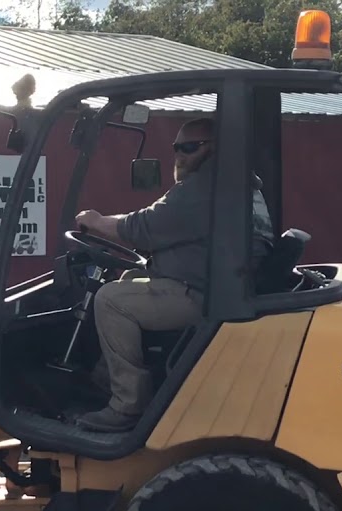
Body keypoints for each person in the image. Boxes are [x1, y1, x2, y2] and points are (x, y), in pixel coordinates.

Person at [71, 116, 275, 433]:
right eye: (176, 147)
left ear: (216, 148)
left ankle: (128, 405)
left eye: (189, 147)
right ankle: (105, 378)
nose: (179, 155)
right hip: (219, 287)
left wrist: (95, 221)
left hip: (207, 297)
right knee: (128, 280)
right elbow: (158, 223)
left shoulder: (207, 186)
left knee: (110, 300)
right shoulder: (235, 183)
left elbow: (143, 228)